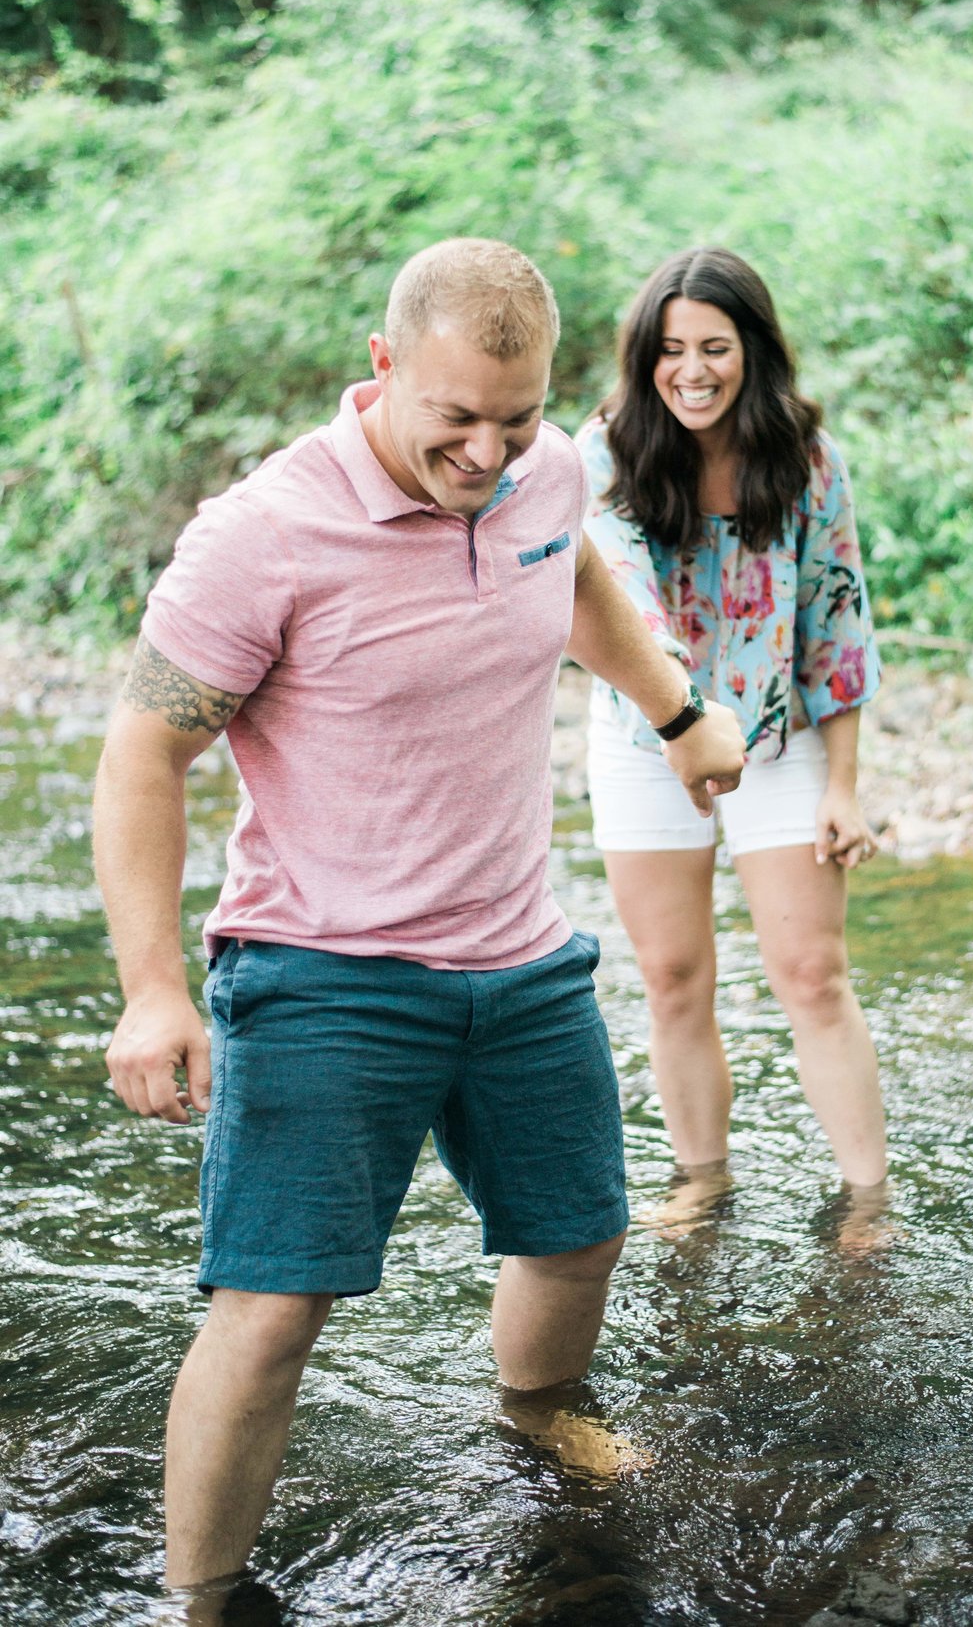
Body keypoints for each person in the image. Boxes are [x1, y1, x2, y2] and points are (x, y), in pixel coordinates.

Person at [93, 238, 745, 1598]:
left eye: (514, 419)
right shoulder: (262, 533)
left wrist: (675, 710)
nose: (488, 454)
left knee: (579, 1231)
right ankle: (197, 1595)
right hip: (321, 969)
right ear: (383, 367)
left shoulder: (549, 470)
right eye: (455, 420)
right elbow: (143, 753)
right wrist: (152, 984)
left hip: (517, 956)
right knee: (273, 1314)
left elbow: (570, 576)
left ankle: (534, 1415)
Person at [578, 247, 887, 1228]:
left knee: (812, 974)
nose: (693, 370)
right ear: (645, 358)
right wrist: (679, 719)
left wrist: (841, 785)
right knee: (673, 978)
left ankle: (868, 1201)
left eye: (714, 347)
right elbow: (619, 591)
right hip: (644, 737)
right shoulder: (606, 453)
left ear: (751, 348)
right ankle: (702, 1184)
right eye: (671, 350)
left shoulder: (804, 459)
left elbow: (837, 623)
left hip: (781, 738)